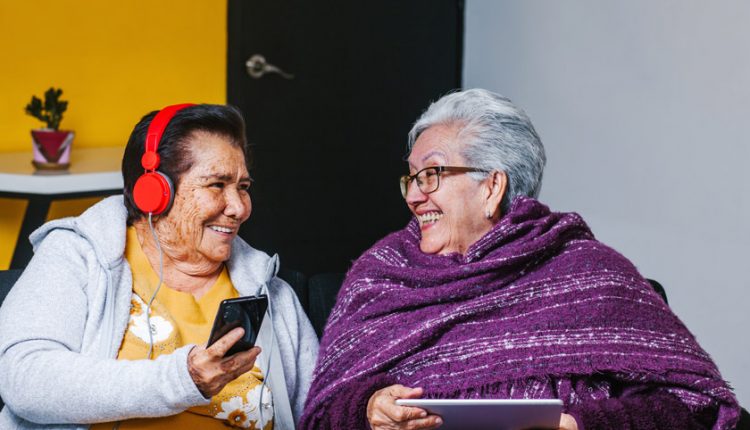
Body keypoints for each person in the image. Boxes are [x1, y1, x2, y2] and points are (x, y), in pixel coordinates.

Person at [299, 89, 740, 429]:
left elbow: (694, 406)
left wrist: (581, 425)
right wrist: (369, 410)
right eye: (410, 179)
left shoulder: (590, 275)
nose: (414, 195)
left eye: (430, 174)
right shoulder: (379, 278)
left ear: (491, 186)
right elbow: (322, 412)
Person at [0, 104, 318, 429]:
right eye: (216, 185)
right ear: (154, 192)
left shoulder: (269, 289)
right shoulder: (79, 255)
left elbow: (320, 408)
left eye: (243, 187)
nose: (238, 208)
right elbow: (24, 379)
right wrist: (182, 379)